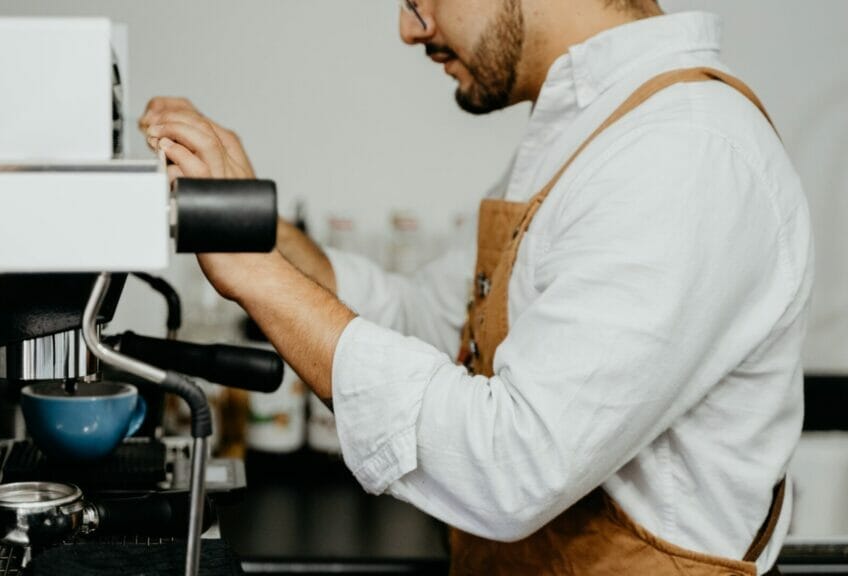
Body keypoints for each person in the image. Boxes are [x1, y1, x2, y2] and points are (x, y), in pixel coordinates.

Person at [140, 0, 812, 574]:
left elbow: (510, 466)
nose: (409, 27)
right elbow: (419, 319)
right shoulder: (596, 132)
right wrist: (252, 221)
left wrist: (253, 276)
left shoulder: (684, 152)